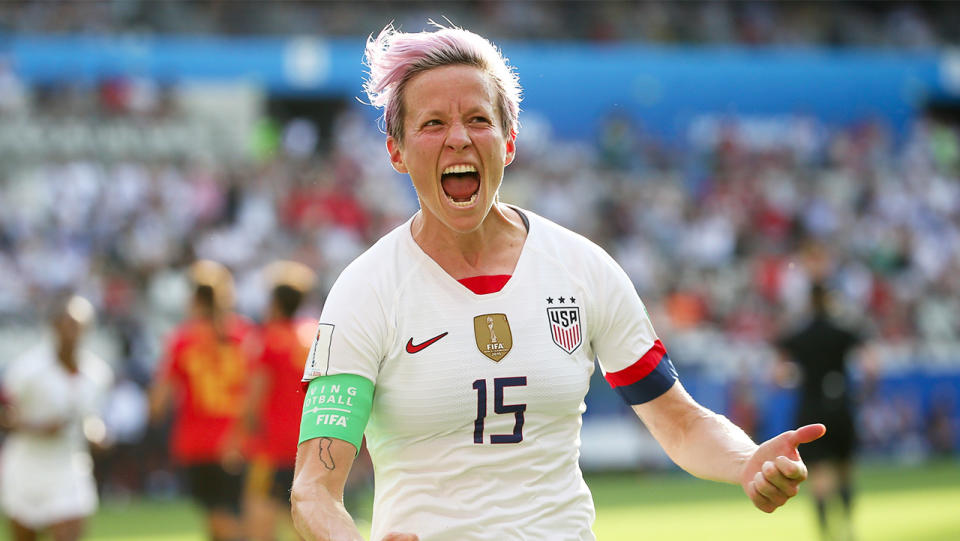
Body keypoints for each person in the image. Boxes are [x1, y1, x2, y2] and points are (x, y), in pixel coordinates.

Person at [291, 22, 825, 541]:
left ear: (509, 141)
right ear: (397, 152)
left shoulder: (582, 268)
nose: (457, 138)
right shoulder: (366, 290)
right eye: (432, 124)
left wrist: (746, 460)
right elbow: (314, 489)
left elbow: (679, 422)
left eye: (478, 119)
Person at [150, 260, 256, 541]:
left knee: (221, 520)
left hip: (199, 443)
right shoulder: (244, 335)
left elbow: (159, 402)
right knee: (229, 518)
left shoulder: (183, 340)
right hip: (241, 440)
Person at [0, 294, 113, 541]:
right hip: (26, 468)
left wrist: (97, 434)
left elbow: (90, 418)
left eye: (79, 325)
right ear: (53, 325)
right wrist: (35, 428)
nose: (73, 331)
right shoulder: (26, 371)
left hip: (69, 465)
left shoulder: (97, 374)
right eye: (68, 323)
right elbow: (5, 415)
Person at [776, 282, 864, 541]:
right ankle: (848, 527)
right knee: (845, 468)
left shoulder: (798, 336)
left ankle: (826, 534)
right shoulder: (843, 332)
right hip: (840, 405)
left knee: (819, 475)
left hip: (811, 409)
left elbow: (780, 374)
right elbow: (870, 365)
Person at [242, 261, 317, 541]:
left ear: (274, 302)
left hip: (271, 447)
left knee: (258, 521)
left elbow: (254, 397)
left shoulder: (267, 340)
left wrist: (243, 432)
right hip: (307, 443)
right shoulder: (313, 335)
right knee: (305, 521)